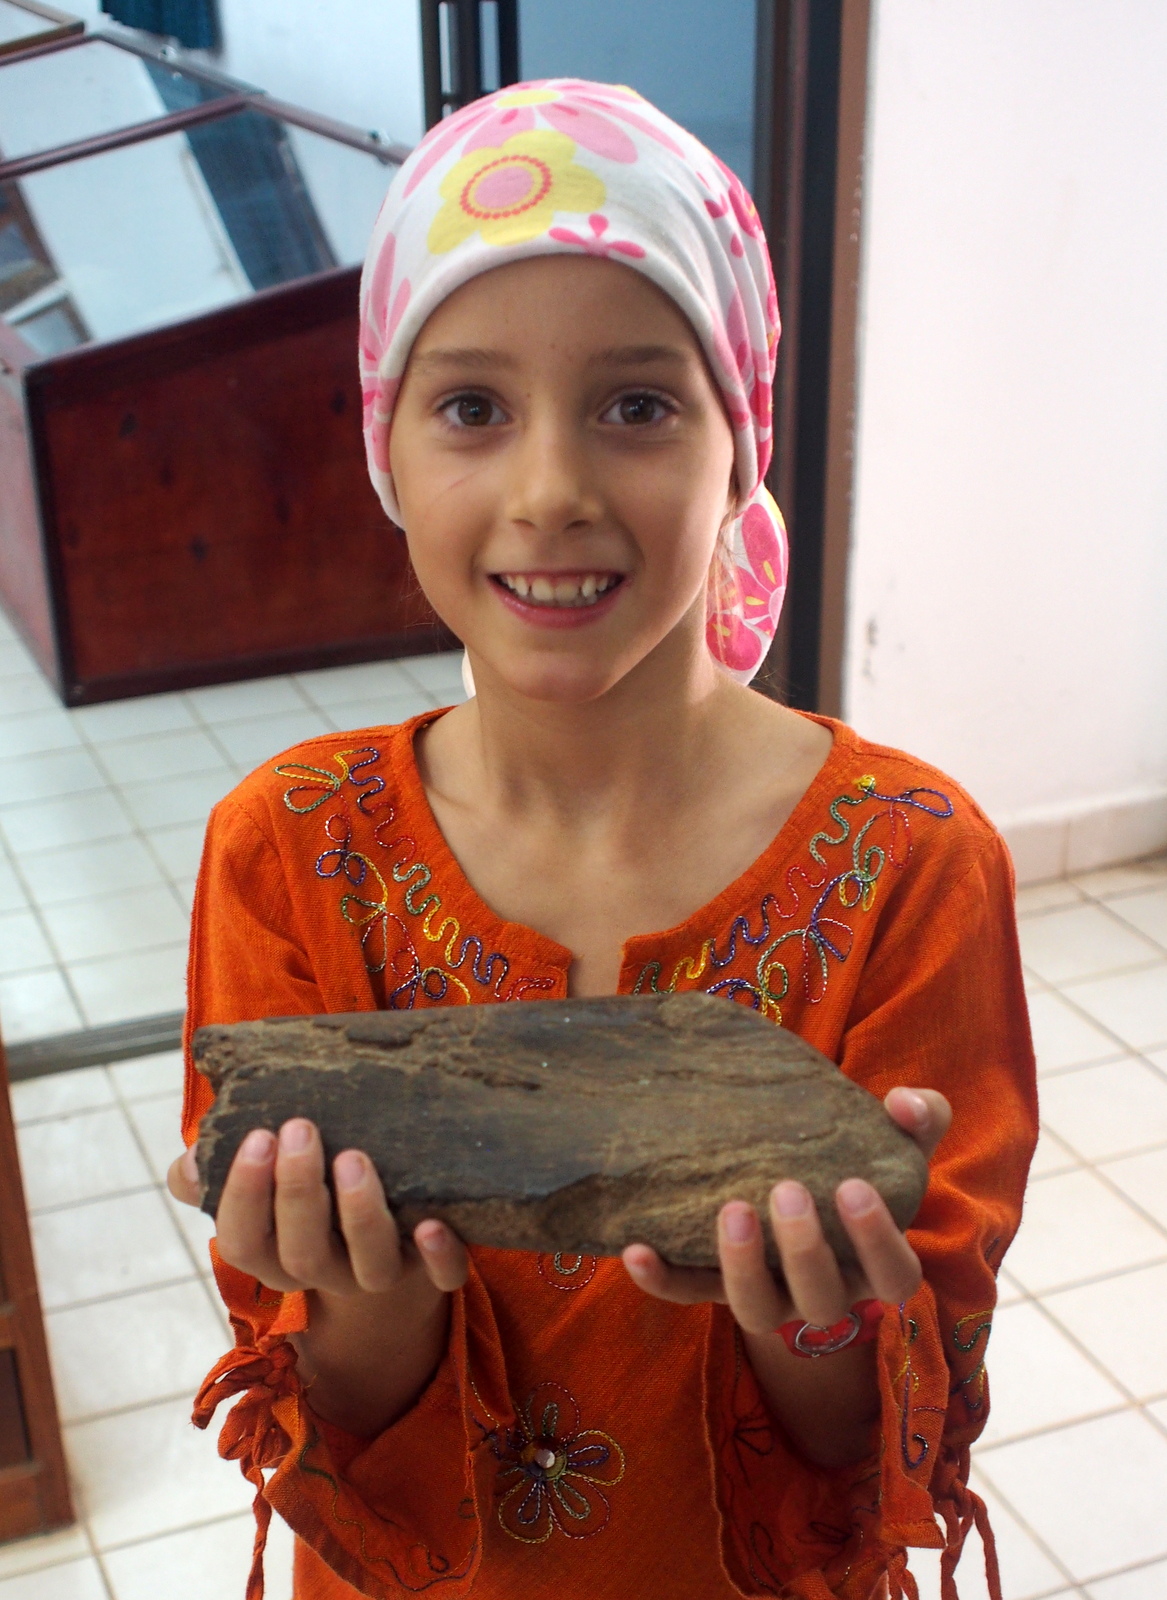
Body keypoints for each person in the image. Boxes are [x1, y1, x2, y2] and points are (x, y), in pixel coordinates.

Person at [168, 79, 1036, 1600]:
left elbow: (884, 1447)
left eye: (637, 406)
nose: (552, 491)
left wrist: (815, 1312)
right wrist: (364, 1293)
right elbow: (329, 1416)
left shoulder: (910, 865)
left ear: (740, 442)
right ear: (386, 447)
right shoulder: (291, 851)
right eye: (472, 408)